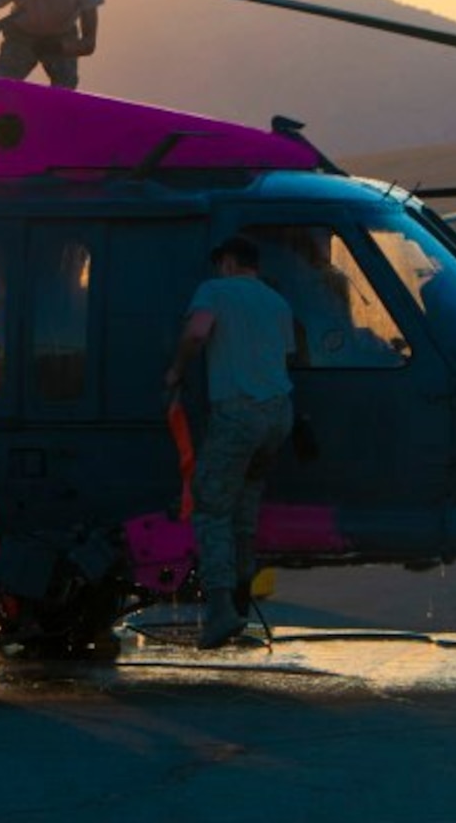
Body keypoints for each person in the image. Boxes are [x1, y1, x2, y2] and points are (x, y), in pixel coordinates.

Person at [163, 234, 296, 649]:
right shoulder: (277, 302)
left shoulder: (215, 290)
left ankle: (220, 609)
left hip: (239, 413)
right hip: (278, 415)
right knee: (245, 501)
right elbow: (287, 356)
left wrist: (176, 370)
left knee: (211, 504)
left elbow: (198, 333)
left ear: (227, 263)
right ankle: (241, 594)